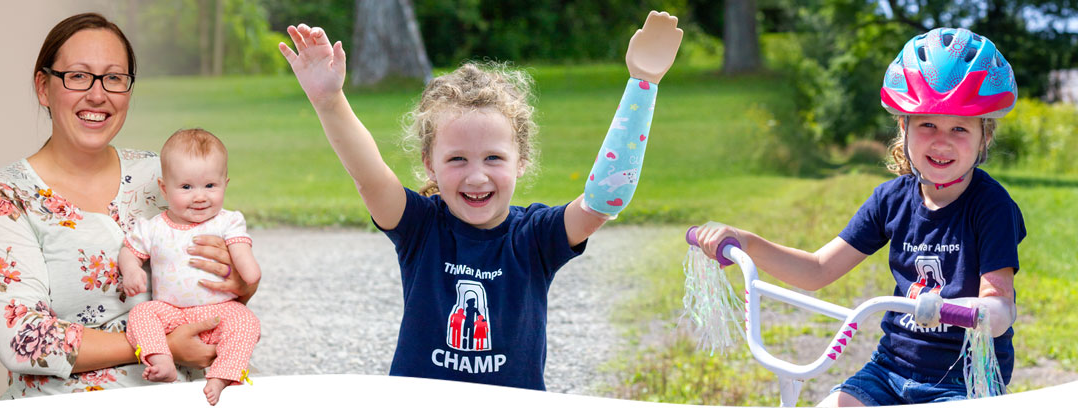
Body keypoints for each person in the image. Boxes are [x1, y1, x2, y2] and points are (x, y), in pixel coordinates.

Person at [278, 11, 682, 390]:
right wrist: (329, 102)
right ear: (429, 165)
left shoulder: (536, 237)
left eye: (493, 157)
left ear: (520, 161)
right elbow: (370, 177)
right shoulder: (422, 227)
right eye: (457, 159)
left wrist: (642, 84)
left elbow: (603, 201)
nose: (476, 176)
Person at [692, 27, 1024, 406]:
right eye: (927, 124)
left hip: (962, 380)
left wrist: (954, 310)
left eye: (960, 128)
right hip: (889, 370)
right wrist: (747, 242)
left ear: (985, 136)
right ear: (904, 127)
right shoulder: (891, 200)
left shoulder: (991, 205)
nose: (942, 140)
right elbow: (817, 270)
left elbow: (1000, 308)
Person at [0, 13, 258, 398]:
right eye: (77, 75)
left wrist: (241, 282)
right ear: (44, 87)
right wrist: (158, 345)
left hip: (195, 393)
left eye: (114, 78)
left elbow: (216, 283)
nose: (97, 94)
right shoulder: (6, 197)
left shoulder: (162, 174)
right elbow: (23, 339)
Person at [119, 128, 262, 406]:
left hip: (220, 309)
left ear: (225, 184)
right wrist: (132, 270)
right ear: (164, 188)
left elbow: (241, 252)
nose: (200, 197)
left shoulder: (227, 221)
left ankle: (222, 375)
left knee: (246, 322)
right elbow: (129, 251)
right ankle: (161, 359)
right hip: (171, 313)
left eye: (210, 186)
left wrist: (250, 272)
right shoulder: (153, 227)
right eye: (186, 187)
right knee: (141, 313)